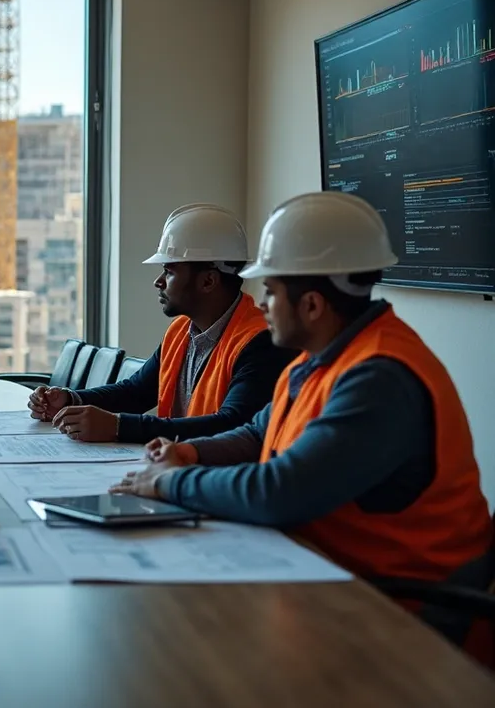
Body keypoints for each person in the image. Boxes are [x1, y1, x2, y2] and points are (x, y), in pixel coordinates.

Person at [112, 191, 494, 658]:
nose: (262, 304)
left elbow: (280, 493)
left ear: (312, 305)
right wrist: (191, 453)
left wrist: (171, 482)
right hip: (330, 580)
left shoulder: (378, 377)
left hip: (406, 619)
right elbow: (257, 432)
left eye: (271, 291)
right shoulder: (319, 360)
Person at [27, 203, 296, 443]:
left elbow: (232, 424)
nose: (158, 281)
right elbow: (136, 392)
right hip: (178, 469)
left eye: (169, 271)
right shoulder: (181, 331)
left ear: (208, 281)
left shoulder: (260, 342)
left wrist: (120, 427)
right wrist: (72, 399)